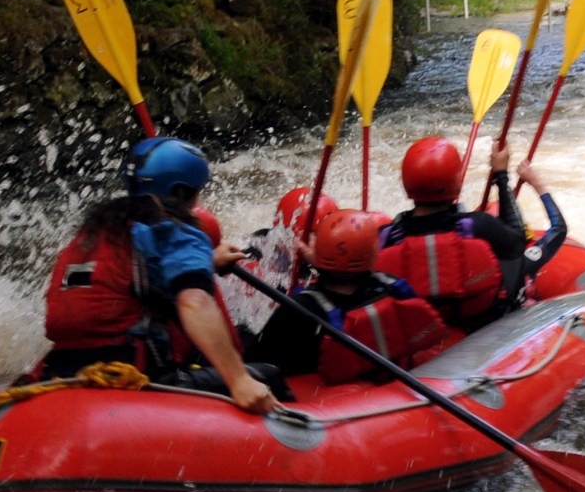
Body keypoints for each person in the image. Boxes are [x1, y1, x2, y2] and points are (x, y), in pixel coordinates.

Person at [38, 137, 285, 413]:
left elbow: (131, 280)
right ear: (180, 191)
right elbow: (193, 301)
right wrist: (239, 380)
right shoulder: (174, 231)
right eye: (195, 191)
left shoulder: (94, 233)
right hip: (133, 374)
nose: (197, 199)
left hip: (61, 371)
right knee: (269, 375)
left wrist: (206, 262)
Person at [381, 136, 564, 331]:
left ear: (406, 184)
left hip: (423, 332)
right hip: (480, 323)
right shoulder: (476, 225)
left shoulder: (387, 236)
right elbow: (517, 243)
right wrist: (501, 176)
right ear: (456, 184)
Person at [247, 211, 456, 382]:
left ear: (319, 252)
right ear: (373, 254)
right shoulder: (393, 287)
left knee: (244, 332)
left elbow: (255, 364)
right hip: (388, 385)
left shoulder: (299, 309)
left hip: (324, 404)